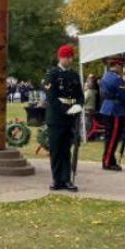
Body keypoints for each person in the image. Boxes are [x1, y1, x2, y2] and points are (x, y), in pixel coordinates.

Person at [44, 44, 84, 191]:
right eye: (67, 57)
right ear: (60, 57)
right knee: (56, 149)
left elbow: (80, 95)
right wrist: (66, 111)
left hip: (70, 117)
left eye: (71, 56)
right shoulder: (52, 74)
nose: (69, 59)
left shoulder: (74, 75)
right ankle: (57, 179)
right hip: (56, 117)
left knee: (66, 149)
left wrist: (79, 106)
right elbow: (52, 98)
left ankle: (67, 179)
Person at [98, 55, 125, 170]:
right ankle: (107, 161)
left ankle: (109, 159)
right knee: (112, 138)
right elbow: (123, 96)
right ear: (116, 65)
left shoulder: (106, 76)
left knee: (110, 137)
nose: (122, 68)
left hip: (108, 108)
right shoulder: (116, 79)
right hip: (115, 110)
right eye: (121, 65)